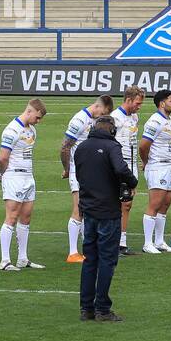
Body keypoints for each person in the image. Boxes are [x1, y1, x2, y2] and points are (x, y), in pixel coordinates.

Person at [74, 114, 138, 323]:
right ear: (111, 130)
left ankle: (86, 308)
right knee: (107, 260)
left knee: (90, 259)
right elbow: (120, 169)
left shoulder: (82, 147)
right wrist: (132, 181)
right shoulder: (112, 147)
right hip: (108, 211)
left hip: (88, 210)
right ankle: (102, 308)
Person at [61, 95, 114, 263]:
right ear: (98, 106)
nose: (101, 118)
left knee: (87, 210)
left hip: (89, 172)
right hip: (78, 170)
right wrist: (67, 169)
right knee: (78, 209)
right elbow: (64, 146)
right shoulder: (79, 120)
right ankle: (72, 252)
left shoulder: (93, 120)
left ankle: (86, 249)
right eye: (102, 113)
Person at [0, 99, 47, 271]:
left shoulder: (31, 130)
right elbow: (3, 157)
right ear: (30, 111)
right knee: (11, 216)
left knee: (26, 217)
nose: (38, 122)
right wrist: (3, 174)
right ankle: (4, 260)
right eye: (37, 117)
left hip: (28, 177)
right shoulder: (11, 130)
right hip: (14, 176)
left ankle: (23, 259)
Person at [138, 89, 171, 253]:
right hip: (157, 166)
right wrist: (146, 162)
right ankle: (148, 243)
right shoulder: (154, 121)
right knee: (154, 204)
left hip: (169, 166)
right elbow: (143, 146)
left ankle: (160, 241)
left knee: (165, 204)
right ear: (162, 103)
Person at [111, 87, 145, 255]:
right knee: (116, 204)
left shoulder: (134, 117)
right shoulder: (115, 118)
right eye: (137, 103)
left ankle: (122, 243)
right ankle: (112, 242)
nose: (139, 107)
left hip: (131, 165)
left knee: (127, 203)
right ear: (129, 100)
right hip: (119, 165)